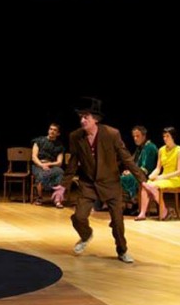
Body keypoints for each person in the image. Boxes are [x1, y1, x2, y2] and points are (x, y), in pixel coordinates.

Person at [51, 97, 146, 263]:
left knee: (117, 223)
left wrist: (143, 181)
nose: (82, 120)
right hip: (88, 183)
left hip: (110, 184)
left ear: (95, 118)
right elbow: (73, 163)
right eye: (80, 117)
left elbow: (127, 159)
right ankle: (86, 235)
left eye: (85, 117)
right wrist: (63, 186)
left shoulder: (111, 134)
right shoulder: (76, 136)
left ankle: (122, 250)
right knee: (79, 217)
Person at [135, 127, 180, 221]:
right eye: (164, 136)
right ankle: (143, 213)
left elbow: (178, 172)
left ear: (173, 137)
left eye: (167, 136)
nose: (165, 138)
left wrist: (163, 177)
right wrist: (152, 175)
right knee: (146, 184)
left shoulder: (178, 150)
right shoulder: (161, 150)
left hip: (175, 178)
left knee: (153, 186)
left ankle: (164, 211)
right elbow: (158, 168)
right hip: (163, 177)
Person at [120, 125, 158, 213]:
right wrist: (129, 171)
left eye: (138, 136)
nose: (135, 138)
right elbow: (133, 163)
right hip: (138, 173)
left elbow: (146, 168)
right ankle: (130, 205)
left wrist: (131, 173)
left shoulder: (150, 147)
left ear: (144, 136)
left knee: (125, 179)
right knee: (121, 177)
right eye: (134, 136)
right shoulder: (140, 148)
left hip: (148, 176)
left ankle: (134, 203)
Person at [31, 123, 65, 208]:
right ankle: (39, 197)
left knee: (60, 172)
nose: (52, 131)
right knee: (41, 174)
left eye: (55, 130)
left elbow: (59, 162)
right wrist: (42, 165)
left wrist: (49, 164)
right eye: (51, 129)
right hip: (38, 164)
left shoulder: (59, 146)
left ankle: (57, 200)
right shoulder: (39, 141)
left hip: (51, 165)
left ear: (58, 133)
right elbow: (34, 157)